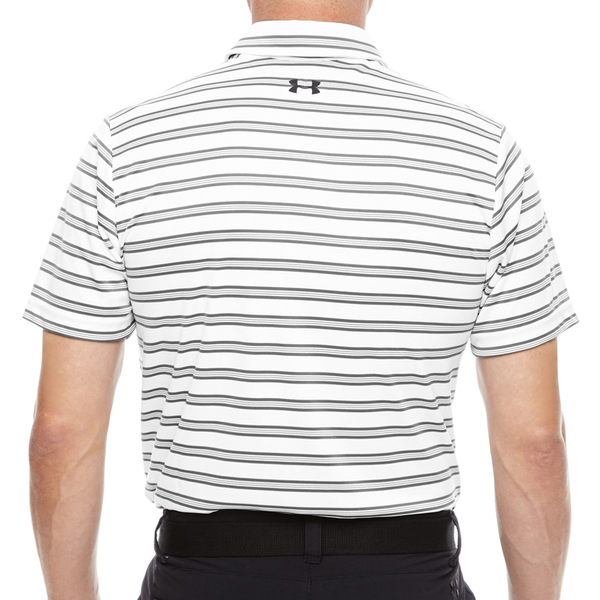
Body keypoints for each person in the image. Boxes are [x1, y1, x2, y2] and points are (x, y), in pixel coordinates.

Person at [23, 1, 579, 598]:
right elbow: (535, 445)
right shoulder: (483, 155)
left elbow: (61, 435)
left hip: (206, 572)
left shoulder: (128, 147)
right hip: (405, 572)